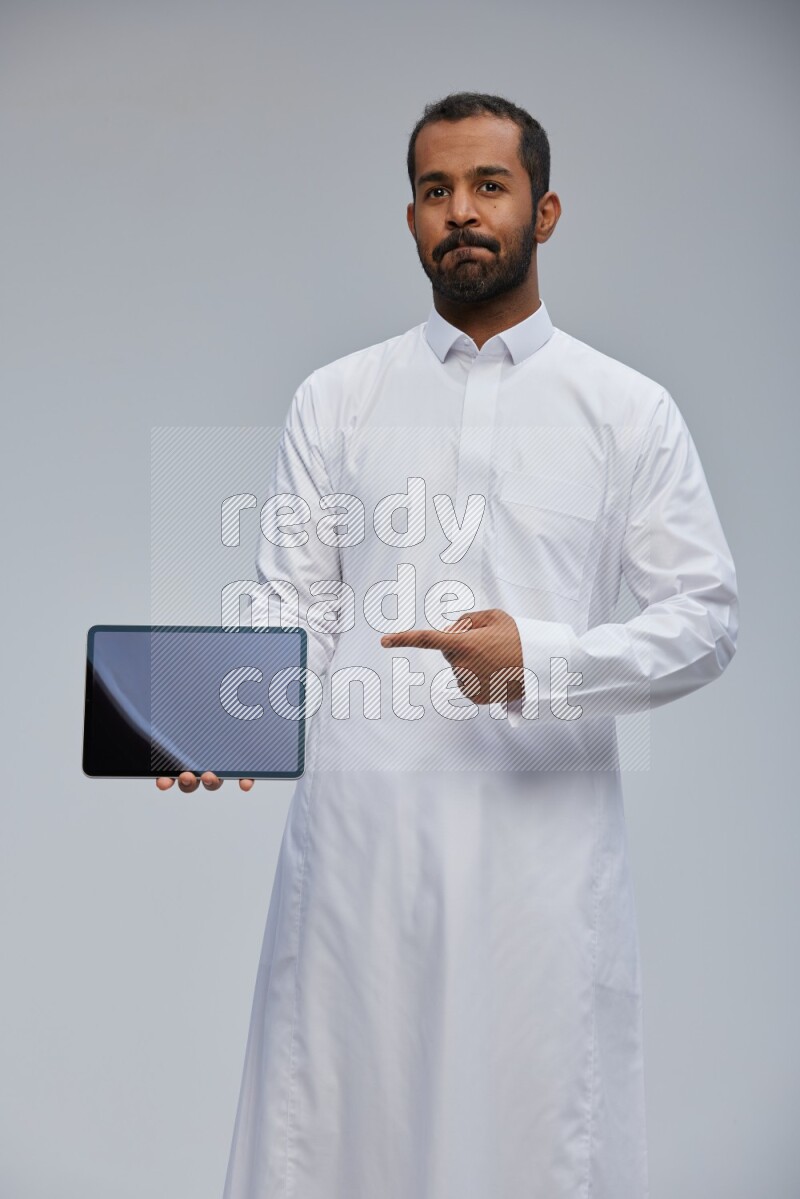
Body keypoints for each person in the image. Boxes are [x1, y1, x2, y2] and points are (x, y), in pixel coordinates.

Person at [157, 92, 738, 1198]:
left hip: (538, 858)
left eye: (487, 186)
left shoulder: (626, 412)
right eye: (435, 190)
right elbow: (294, 613)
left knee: (529, 1141)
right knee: (335, 1134)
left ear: (544, 210)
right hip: (356, 851)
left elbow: (703, 619)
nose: (460, 212)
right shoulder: (337, 400)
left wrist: (542, 657)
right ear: (411, 216)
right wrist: (223, 718)